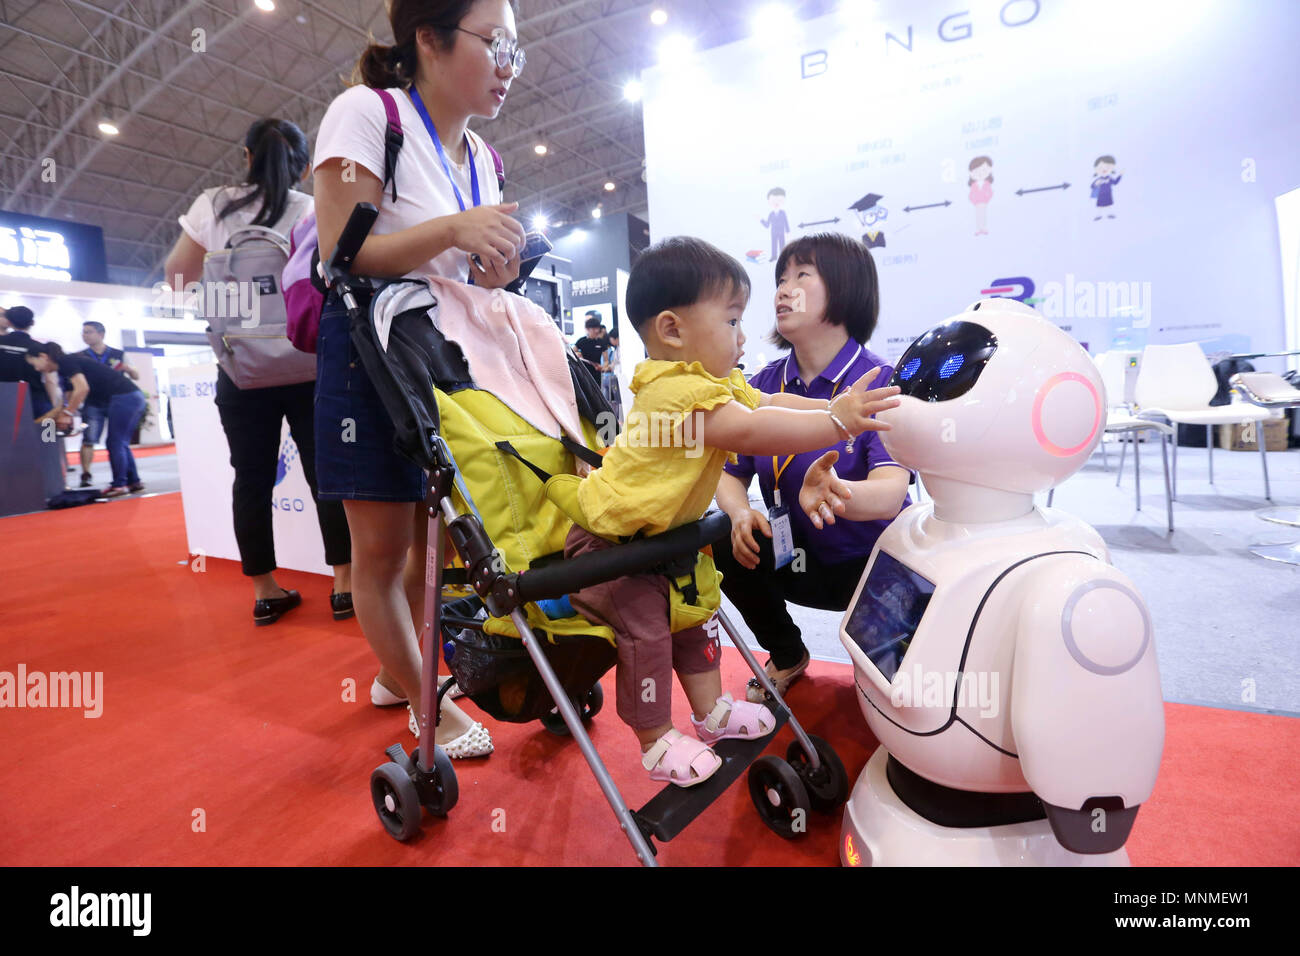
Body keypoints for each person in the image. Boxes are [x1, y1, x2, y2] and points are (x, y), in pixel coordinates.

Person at [562, 237, 902, 787]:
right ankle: (653, 739)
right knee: (649, 632)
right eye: (731, 322)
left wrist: (836, 413)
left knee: (697, 617)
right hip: (615, 548)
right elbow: (749, 429)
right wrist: (837, 423)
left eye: (802, 276)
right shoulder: (674, 393)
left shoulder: (725, 382)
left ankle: (712, 712)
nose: (745, 334)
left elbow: (772, 407)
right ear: (673, 331)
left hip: (685, 544)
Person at [311, 0, 531, 756]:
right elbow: (342, 248)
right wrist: (454, 230)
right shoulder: (366, 114)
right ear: (430, 40)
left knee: (431, 549)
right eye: (496, 42)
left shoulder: (484, 158)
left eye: (516, 50)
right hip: (365, 354)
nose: (508, 64)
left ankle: (395, 672)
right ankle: (423, 700)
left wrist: (494, 269)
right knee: (378, 553)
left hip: (441, 359)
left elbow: (468, 278)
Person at [162, 117, 353, 627]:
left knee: (251, 478)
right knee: (325, 477)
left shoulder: (212, 206)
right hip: (309, 363)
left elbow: (177, 277)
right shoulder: (312, 208)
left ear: (246, 157)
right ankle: (344, 585)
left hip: (240, 368)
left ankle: (266, 592)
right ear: (306, 167)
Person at [713, 233, 912, 702]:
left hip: (869, 566)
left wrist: (837, 492)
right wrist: (740, 512)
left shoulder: (879, 383)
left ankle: (888, 657)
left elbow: (889, 493)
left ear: (846, 288)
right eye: (781, 277)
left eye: (801, 275)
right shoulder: (759, 385)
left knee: (894, 701)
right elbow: (729, 472)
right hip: (790, 556)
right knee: (721, 534)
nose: (783, 289)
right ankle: (786, 653)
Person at [25, 343, 144, 497]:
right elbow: (66, 401)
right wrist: (41, 421)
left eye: (35, 364)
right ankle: (134, 482)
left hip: (124, 398)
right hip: (131, 396)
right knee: (120, 442)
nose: (37, 369)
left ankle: (119, 485)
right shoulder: (66, 365)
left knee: (115, 442)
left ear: (43, 356)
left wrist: (67, 414)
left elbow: (82, 388)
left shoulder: (66, 362)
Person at [74, 321, 140, 488]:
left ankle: (126, 481)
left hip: (119, 401)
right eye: (83, 332)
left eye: (89, 332)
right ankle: (86, 474)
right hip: (93, 402)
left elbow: (136, 375)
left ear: (101, 334)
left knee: (118, 441)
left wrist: (128, 369)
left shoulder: (118, 354)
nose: (85, 335)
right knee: (89, 439)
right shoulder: (79, 356)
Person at [0, 306, 66, 426]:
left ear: (9, 322)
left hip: (3, 399)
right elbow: (50, 380)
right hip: (34, 399)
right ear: (32, 323)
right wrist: (52, 405)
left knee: (5, 438)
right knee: (47, 436)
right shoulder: (40, 348)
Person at [573, 313, 607, 383]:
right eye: (594, 329)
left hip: (596, 374)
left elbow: (606, 360)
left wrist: (603, 367)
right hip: (583, 373)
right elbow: (571, 352)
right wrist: (577, 354)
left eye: (597, 328)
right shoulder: (581, 341)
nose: (596, 331)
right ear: (587, 329)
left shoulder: (601, 342)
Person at [599, 329, 622, 420]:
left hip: (618, 376)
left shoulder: (620, 349)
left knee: (618, 400)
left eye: (611, 339)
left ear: (616, 338)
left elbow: (615, 363)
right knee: (614, 399)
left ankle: (619, 417)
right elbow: (613, 363)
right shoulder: (617, 349)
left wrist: (608, 368)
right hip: (615, 376)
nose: (611, 341)